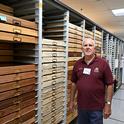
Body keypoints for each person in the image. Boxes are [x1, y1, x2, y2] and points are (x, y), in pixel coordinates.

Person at [69, 38, 114, 124]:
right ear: (82, 48)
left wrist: (108, 104)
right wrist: (71, 101)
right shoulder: (78, 64)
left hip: (96, 108)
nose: (87, 47)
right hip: (81, 107)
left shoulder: (103, 64)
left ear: (94, 48)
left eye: (90, 45)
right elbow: (74, 83)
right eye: (85, 45)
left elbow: (110, 84)